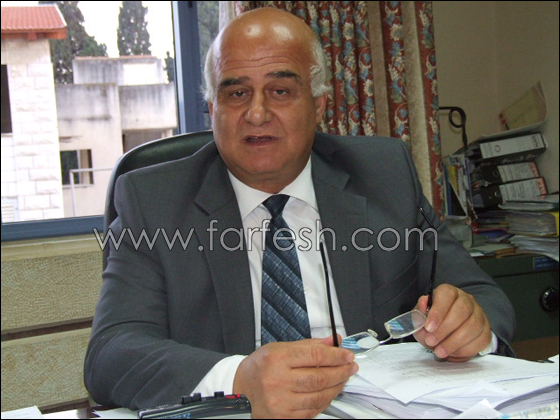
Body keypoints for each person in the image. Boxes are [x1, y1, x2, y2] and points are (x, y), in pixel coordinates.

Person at [84, 8, 515, 419]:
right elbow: (111, 353)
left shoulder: (384, 177)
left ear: (319, 104)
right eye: (236, 93)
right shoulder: (152, 201)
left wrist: (470, 323)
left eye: (280, 91)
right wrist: (238, 380)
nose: (256, 113)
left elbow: (482, 294)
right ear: (213, 110)